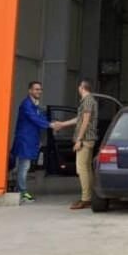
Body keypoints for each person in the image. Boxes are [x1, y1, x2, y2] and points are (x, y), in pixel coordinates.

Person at [10, 81, 57, 204]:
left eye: (40, 89)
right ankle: (22, 192)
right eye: (36, 89)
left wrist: (51, 123)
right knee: (24, 166)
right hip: (25, 140)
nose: (39, 91)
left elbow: (40, 118)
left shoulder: (34, 105)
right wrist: (51, 125)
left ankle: (19, 190)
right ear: (30, 90)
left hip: (30, 140)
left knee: (25, 166)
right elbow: (35, 119)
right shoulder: (26, 105)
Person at [54, 79, 98, 210]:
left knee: (81, 169)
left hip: (85, 139)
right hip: (87, 139)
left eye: (79, 87)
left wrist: (79, 139)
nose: (78, 89)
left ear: (82, 88)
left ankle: (86, 199)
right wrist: (62, 124)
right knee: (86, 169)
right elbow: (79, 119)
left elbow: (85, 121)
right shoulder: (87, 101)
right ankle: (90, 196)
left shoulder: (88, 100)